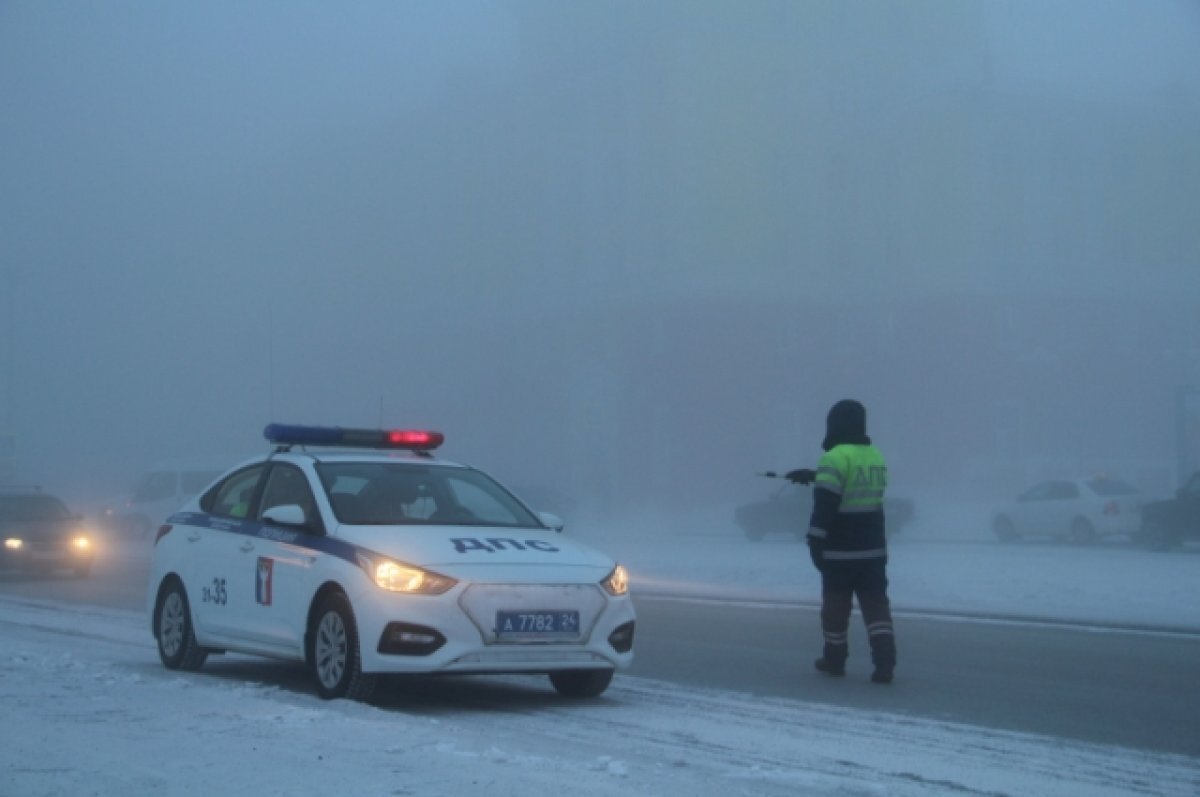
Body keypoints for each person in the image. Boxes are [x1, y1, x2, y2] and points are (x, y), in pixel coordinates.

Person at [786, 399, 896, 684]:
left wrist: (814, 540)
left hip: (840, 551)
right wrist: (813, 476)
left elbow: (826, 506)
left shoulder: (833, 458)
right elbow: (858, 489)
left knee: (835, 609)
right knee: (876, 607)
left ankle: (834, 659)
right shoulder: (875, 456)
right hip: (872, 549)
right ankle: (885, 663)